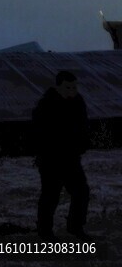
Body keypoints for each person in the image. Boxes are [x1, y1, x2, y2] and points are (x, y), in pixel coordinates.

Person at [32, 70, 91, 241]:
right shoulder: (46, 105)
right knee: (51, 195)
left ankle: (75, 227)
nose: (72, 90)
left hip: (71, 157)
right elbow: (38, 132)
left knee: (81, 192)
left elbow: (83, 125)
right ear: (58, 87)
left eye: (74, 87)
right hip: (51, 159)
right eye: (68, 87)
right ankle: (45, 232)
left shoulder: (78, 102)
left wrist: (81, 145)